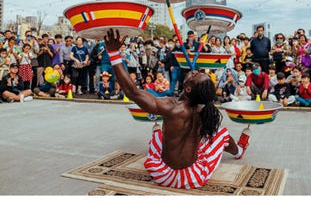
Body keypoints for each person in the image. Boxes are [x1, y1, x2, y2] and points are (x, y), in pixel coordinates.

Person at [104, 29, 250, 189]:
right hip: (192, 177)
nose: (195, 71)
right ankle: (239, 151)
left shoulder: (172, 107)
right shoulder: (205, 108)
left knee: (157, 135)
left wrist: (113, 53)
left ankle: (237, 151)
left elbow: (132, 92)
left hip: (162, 175)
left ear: (187, 89)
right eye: (198, 72)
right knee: (222, 135)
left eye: (195, 75)